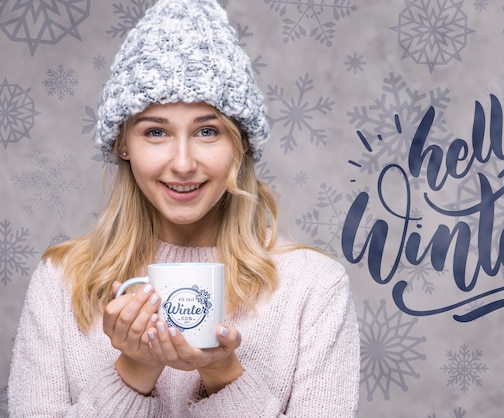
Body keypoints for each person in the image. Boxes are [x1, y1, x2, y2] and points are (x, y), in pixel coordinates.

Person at [7, 0, 360, 416]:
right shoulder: (62, 283)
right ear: (124, 145)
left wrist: (224, 374)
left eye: (207, 131)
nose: (182, 163)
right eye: (155, 132)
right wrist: (133, 371)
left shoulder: (314, 288)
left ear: (241, 142)